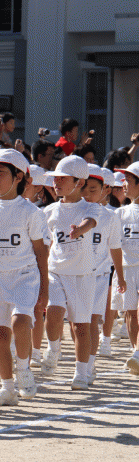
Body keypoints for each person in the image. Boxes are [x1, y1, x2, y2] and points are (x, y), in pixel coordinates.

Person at [0, 149, 49, 406]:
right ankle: (7, 389)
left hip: (25, 276)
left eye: (1, 172)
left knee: (20, 323)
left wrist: (45, 288)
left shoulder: (31, 213)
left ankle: (23, 369)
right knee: (0, 334)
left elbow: (41, 252)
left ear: (18, 176)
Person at [41, 156, 101, 390]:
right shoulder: (49, 211)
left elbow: (90, 222)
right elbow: (44, 243)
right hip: (56, 271)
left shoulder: (90, 206)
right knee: (54, 313)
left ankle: (81, 372)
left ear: (79, 182)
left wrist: (80, 230)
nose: (56, 183)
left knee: (80, 327)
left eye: (62, 179)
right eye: (55, 179)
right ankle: (53, 349)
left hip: (82, 275)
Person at [81, 164, 125, 384]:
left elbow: (115, 248)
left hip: (99, 275)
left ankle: (88, 366)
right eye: (84, 189)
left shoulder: (110, 216)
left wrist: (120, 276)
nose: (87, 194)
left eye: (93, 189)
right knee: (78, 324)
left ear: (105, 189)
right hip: (76, 274)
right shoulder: (74, 212)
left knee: (91, 321)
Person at [114, 161, 139, 374]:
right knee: (131, 314)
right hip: (127, 269)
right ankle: (135, 353)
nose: (123, 184)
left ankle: (137, 354)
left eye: (128, 180)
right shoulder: (120, 214)